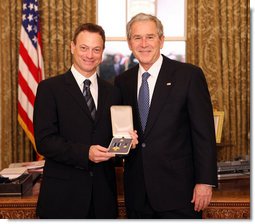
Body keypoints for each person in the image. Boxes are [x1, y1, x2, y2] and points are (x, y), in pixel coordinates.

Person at [114, 13, 218, 219]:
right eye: (137, 38)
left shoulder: (188, 76)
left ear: (161, 40)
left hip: (180, 193)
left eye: (150, 37)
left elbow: (204, 134)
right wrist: (120, 145)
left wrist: (205, 182)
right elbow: (120, 134)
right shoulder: (122, 81)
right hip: (137, 193)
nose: (144, 44)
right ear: (129, 43)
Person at [33, 23, 138, 219]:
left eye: (96, 49)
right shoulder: (49, 89)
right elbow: (44, 142)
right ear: (72, 47)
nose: (90, 55)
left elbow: (112, 144)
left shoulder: (113, 92)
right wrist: (85, 153)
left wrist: (125, 143)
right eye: (84, 48)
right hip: (62, 199)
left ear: (102, 51)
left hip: (103, 199)